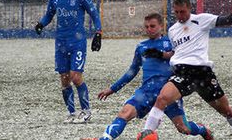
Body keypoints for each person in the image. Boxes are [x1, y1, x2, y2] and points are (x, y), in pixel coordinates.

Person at [139, 0, 232, 140]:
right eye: (176, 12)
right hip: (182, 73)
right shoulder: (173, 30)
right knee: (162, 98)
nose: (180, 16)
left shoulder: (202, 20)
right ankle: (147, 134)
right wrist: (160, 54)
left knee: (226, 111)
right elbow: (176, 52)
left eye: (183, 12)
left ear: (190, 8)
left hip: (203, 73)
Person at [82, 13, 213, 140]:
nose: (149, 29)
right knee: (125, 113)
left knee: (184, 128)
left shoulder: (172, 43)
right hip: (146, 92)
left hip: (168, 93)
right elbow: (132, 71)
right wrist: (112, 89)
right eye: (146, 26)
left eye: (152, 26)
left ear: (162, 26)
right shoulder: (141, 47)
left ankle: (202, 129)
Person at [34, 0, 102, 124]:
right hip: (60, 43)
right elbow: (49, 15)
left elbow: (94, 14)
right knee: (64, 80)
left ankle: (86, 111)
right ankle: (71, 113)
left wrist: (98, 33)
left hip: (77, 42)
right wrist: (41, 24)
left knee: (75, 77)